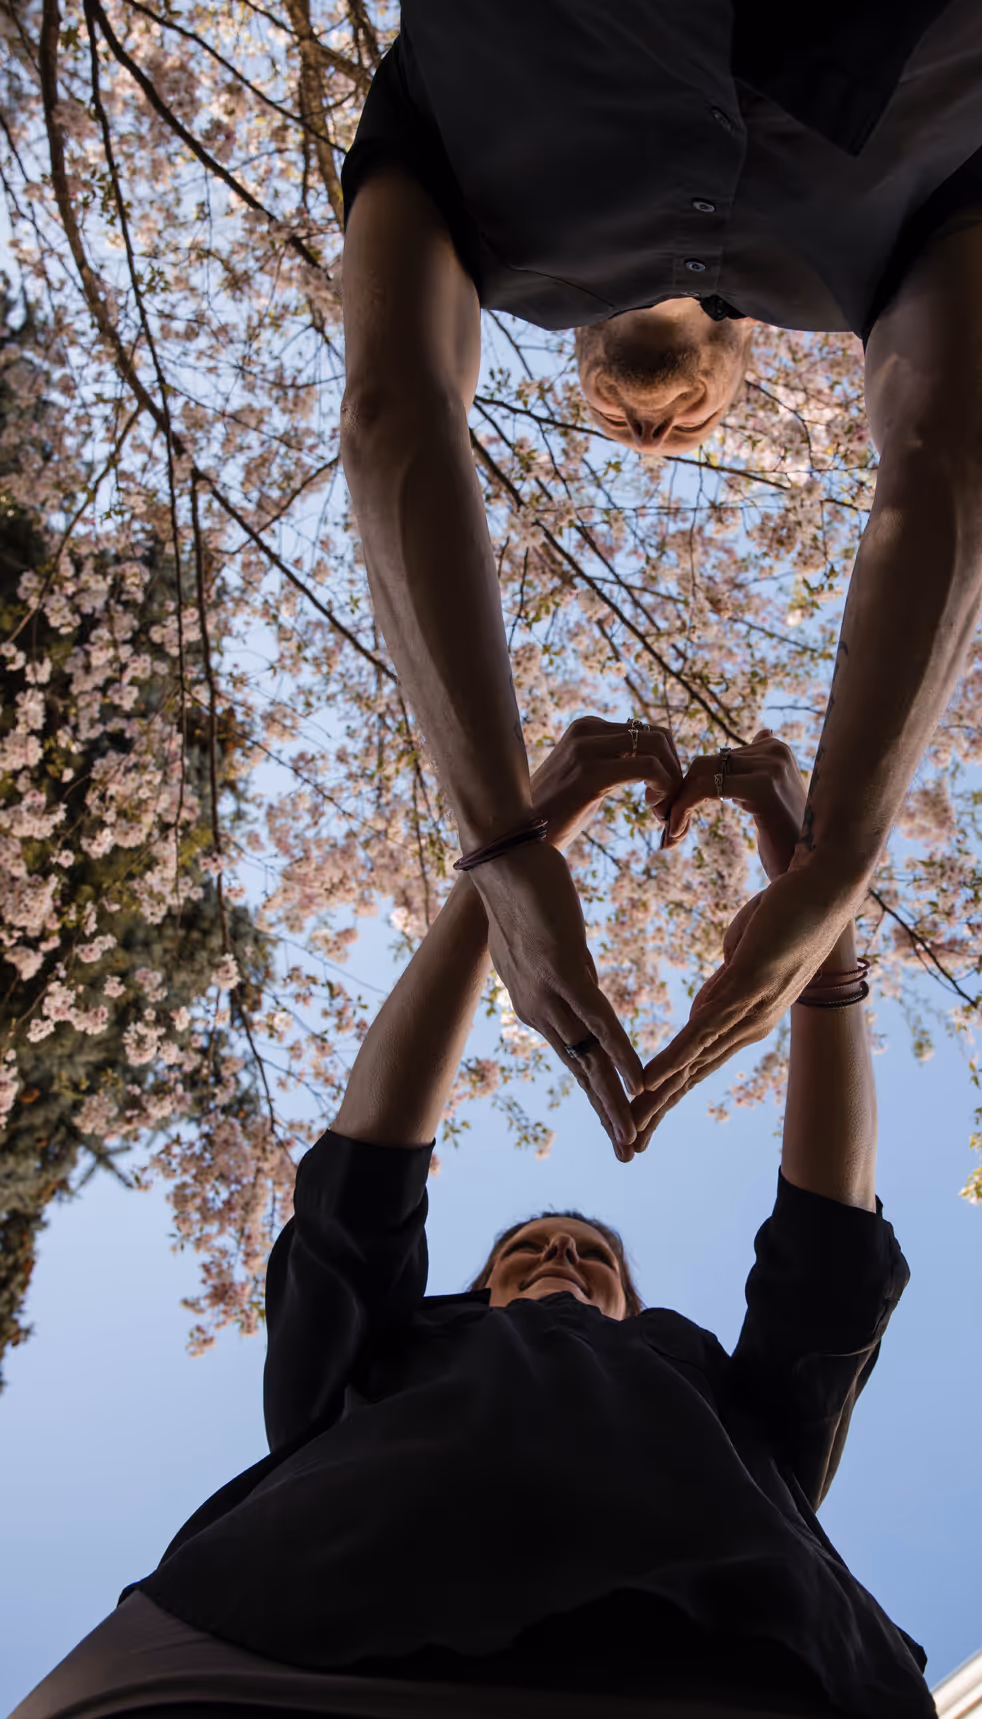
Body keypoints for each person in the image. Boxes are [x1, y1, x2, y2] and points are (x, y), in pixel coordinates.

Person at [338, 0, 982, 1152]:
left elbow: (395, 413)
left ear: (573, 353)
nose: (656, 435)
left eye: (629, 435)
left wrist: (503, 842)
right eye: (686, 436)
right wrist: (833, 868)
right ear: (745, 368)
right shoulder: (885, 251)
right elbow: (951, 459)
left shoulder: (468, 207)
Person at [14, 719, 928, 1719]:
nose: (564, 1260)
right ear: (477, 1289)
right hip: (270, 1646)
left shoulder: (712, 1391)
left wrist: (822, 909)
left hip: (736, 1668)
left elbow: (828, 1274)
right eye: (532, 1249)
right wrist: (506, 852)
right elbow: (360, 1185)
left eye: (591, 1257)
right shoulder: (385, 1353)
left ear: (634, 1306)